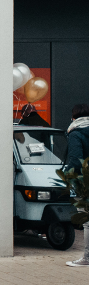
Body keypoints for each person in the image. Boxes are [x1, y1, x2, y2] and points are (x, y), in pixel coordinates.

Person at [64, 104, 89, 268]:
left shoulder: (76, 133)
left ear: (74, 118)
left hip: (84, 181)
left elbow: (75, 160)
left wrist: (70, 178)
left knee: (87, 220)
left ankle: (87, 258)